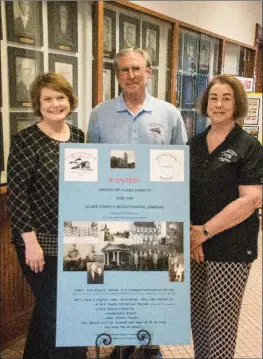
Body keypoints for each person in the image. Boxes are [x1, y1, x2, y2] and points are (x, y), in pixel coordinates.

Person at [87, 47, 187, 358]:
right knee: (119, 278)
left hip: (155, 215)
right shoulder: (99, 114)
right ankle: (120, 340)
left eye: (136, 69)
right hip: (113, 215)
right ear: (117, 76)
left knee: (153, 278)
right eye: (123, 70)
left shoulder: (169, 114)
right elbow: (92, 165)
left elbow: (180, 166)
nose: (130, 75)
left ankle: (151, 341)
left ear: (148, 73)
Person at [7, 72, 86, 359]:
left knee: (47, 310)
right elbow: (17, 196)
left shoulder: (78, 137)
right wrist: (31, 243)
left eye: (60, 97)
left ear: (70, 100)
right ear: (38, 104)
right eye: (48, 99)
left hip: (74, 239)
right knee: (60, 314)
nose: (55, 104)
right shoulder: (25, 141)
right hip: (38, 243)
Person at [189, 74, 262, 359]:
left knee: (221, 324)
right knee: (199, 320)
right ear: (206, 103)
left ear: (237, 104)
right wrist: (193, 240)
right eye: (214, 98)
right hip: (196, 247)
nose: (218, 104)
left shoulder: (248, 147)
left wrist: (204, 232)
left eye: (226, 98)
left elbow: (252, 199)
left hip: (231, 247)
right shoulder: (193, 144)